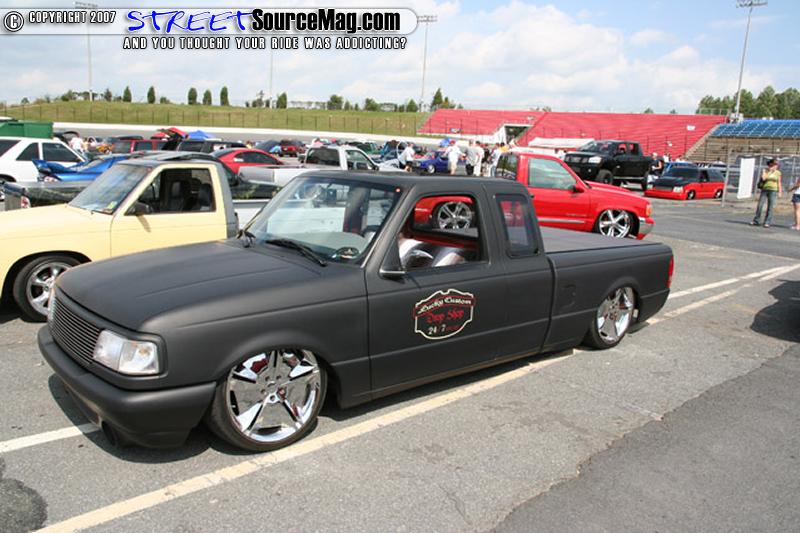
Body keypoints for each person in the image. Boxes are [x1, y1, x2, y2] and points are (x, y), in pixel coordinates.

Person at [751, 159, 782, 228]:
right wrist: (769, 171)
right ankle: (756, 220)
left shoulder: (778, 173)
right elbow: (764, 178)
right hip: (765, 189)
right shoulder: (765, 170)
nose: (775, 166)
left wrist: (780, 192)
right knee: (760, 205)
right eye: (774, 164)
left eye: (776, 165)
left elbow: (779, 182)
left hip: (773, 190)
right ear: (770, 164)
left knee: (770, 206)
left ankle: (767, 222)